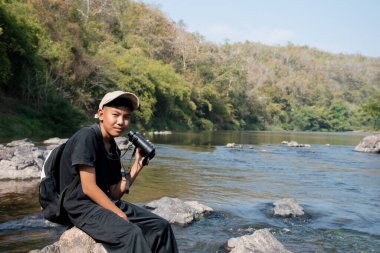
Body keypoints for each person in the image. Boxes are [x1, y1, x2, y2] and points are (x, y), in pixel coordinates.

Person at [59, 90, 178, 253]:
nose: (121, 121)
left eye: (126, 117)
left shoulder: (113, 148)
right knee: (132, 233)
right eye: (115, 114)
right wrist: (119, 215)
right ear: (101, 114)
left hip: (103, 202)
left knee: (160, 226)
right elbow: (88, 187)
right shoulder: (87, 137)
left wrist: (138, 164)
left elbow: (114, 193)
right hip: (81, 207)